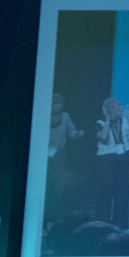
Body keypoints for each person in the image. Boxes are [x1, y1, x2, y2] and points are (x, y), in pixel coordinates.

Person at [95, 96, 129, 228]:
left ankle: (120, 222)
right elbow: (104, 137)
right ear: (110, 108)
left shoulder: (125, 120)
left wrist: (128, 116)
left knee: (122, 189)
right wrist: (108, 119)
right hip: (107, 157)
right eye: (117, 105)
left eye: (121, 105)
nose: (121, 107)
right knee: (106, 189)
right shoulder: (100, 123)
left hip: (125, 156)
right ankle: (103, 221)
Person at [46, 93, 84, 225]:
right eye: (56, 104)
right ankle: (44, 217)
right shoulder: (43, 114)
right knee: (45, 185)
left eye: (61, 103)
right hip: (43, 154)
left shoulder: (66, 117)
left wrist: (78, 134)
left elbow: (71, 132)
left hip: (59, 155)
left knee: (58, 187)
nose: (59, 106)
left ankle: (55, 216)